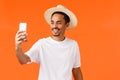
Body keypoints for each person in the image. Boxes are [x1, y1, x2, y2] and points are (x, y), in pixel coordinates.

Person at [15, 4, 83, 80]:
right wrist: (18, 46)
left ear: (66, 25)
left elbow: (76, 70)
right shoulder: (42, 44)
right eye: (52, 22)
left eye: (59, 22)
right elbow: (23, 60)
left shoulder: (73, 45)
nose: (54, 26)